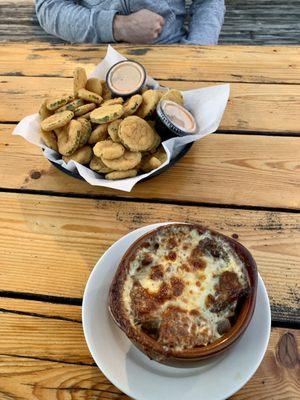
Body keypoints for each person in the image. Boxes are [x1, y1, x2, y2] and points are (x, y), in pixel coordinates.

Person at [35, 1, 225, 45]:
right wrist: (118, 26)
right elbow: (49, 8)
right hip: (94, 55)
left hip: (173, 51)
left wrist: (199, 48)